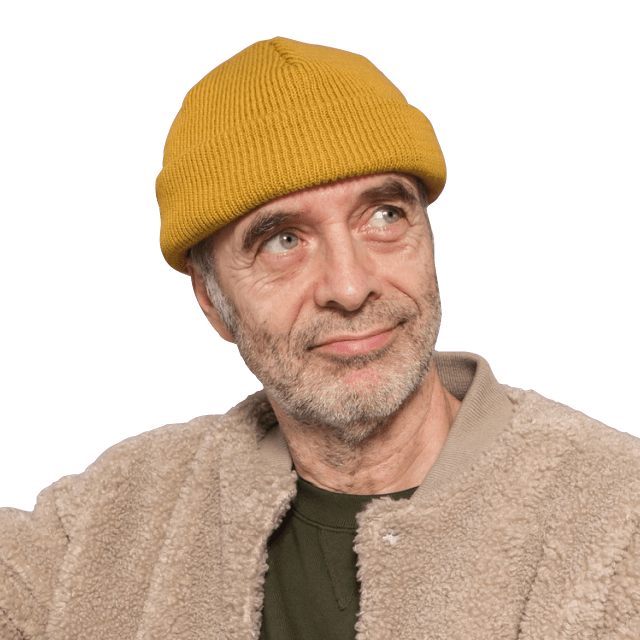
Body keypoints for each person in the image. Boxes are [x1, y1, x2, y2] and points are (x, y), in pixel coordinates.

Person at [1, 36, 639, 640]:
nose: (351, 286)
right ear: (211, 300)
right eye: (283, 240)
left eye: (384, 215)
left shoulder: (619, 516)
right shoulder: (113, 515)